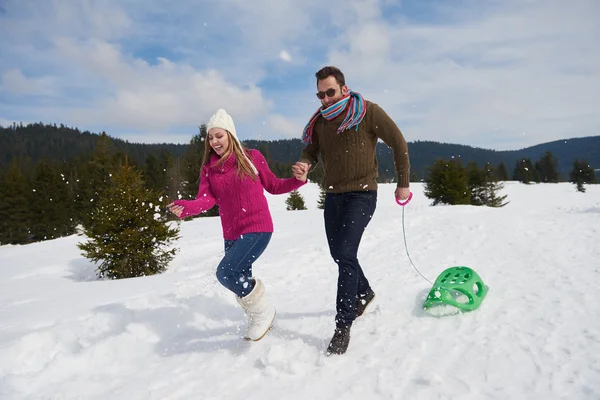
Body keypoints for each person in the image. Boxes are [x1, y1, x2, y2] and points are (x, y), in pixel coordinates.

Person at [292, 66, 411, 355]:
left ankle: (343, 325)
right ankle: (365, 292)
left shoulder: (368, 111)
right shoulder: (321, 121)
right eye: (320, 95)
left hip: (362, 194)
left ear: (344, 89)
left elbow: (398, 143)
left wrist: (403, 183)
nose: (325, 99)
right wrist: (306, 163)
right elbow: (312, 150)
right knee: (339, 255)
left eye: (330, 92)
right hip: (332, 196)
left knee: (345, 254)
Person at [168, 108, 308, 341]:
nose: (214, 142)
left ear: (230, 135)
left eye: (219, 136)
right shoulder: (209, 169)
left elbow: (273, 185)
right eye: (210, 138)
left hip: (258, 226)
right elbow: (206, 200)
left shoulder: (252, 157)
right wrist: (188, 207)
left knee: (225, 273)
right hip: (231, 232)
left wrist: (297, 181)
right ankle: (259, 318)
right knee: (239, 278)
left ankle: (264, 312)